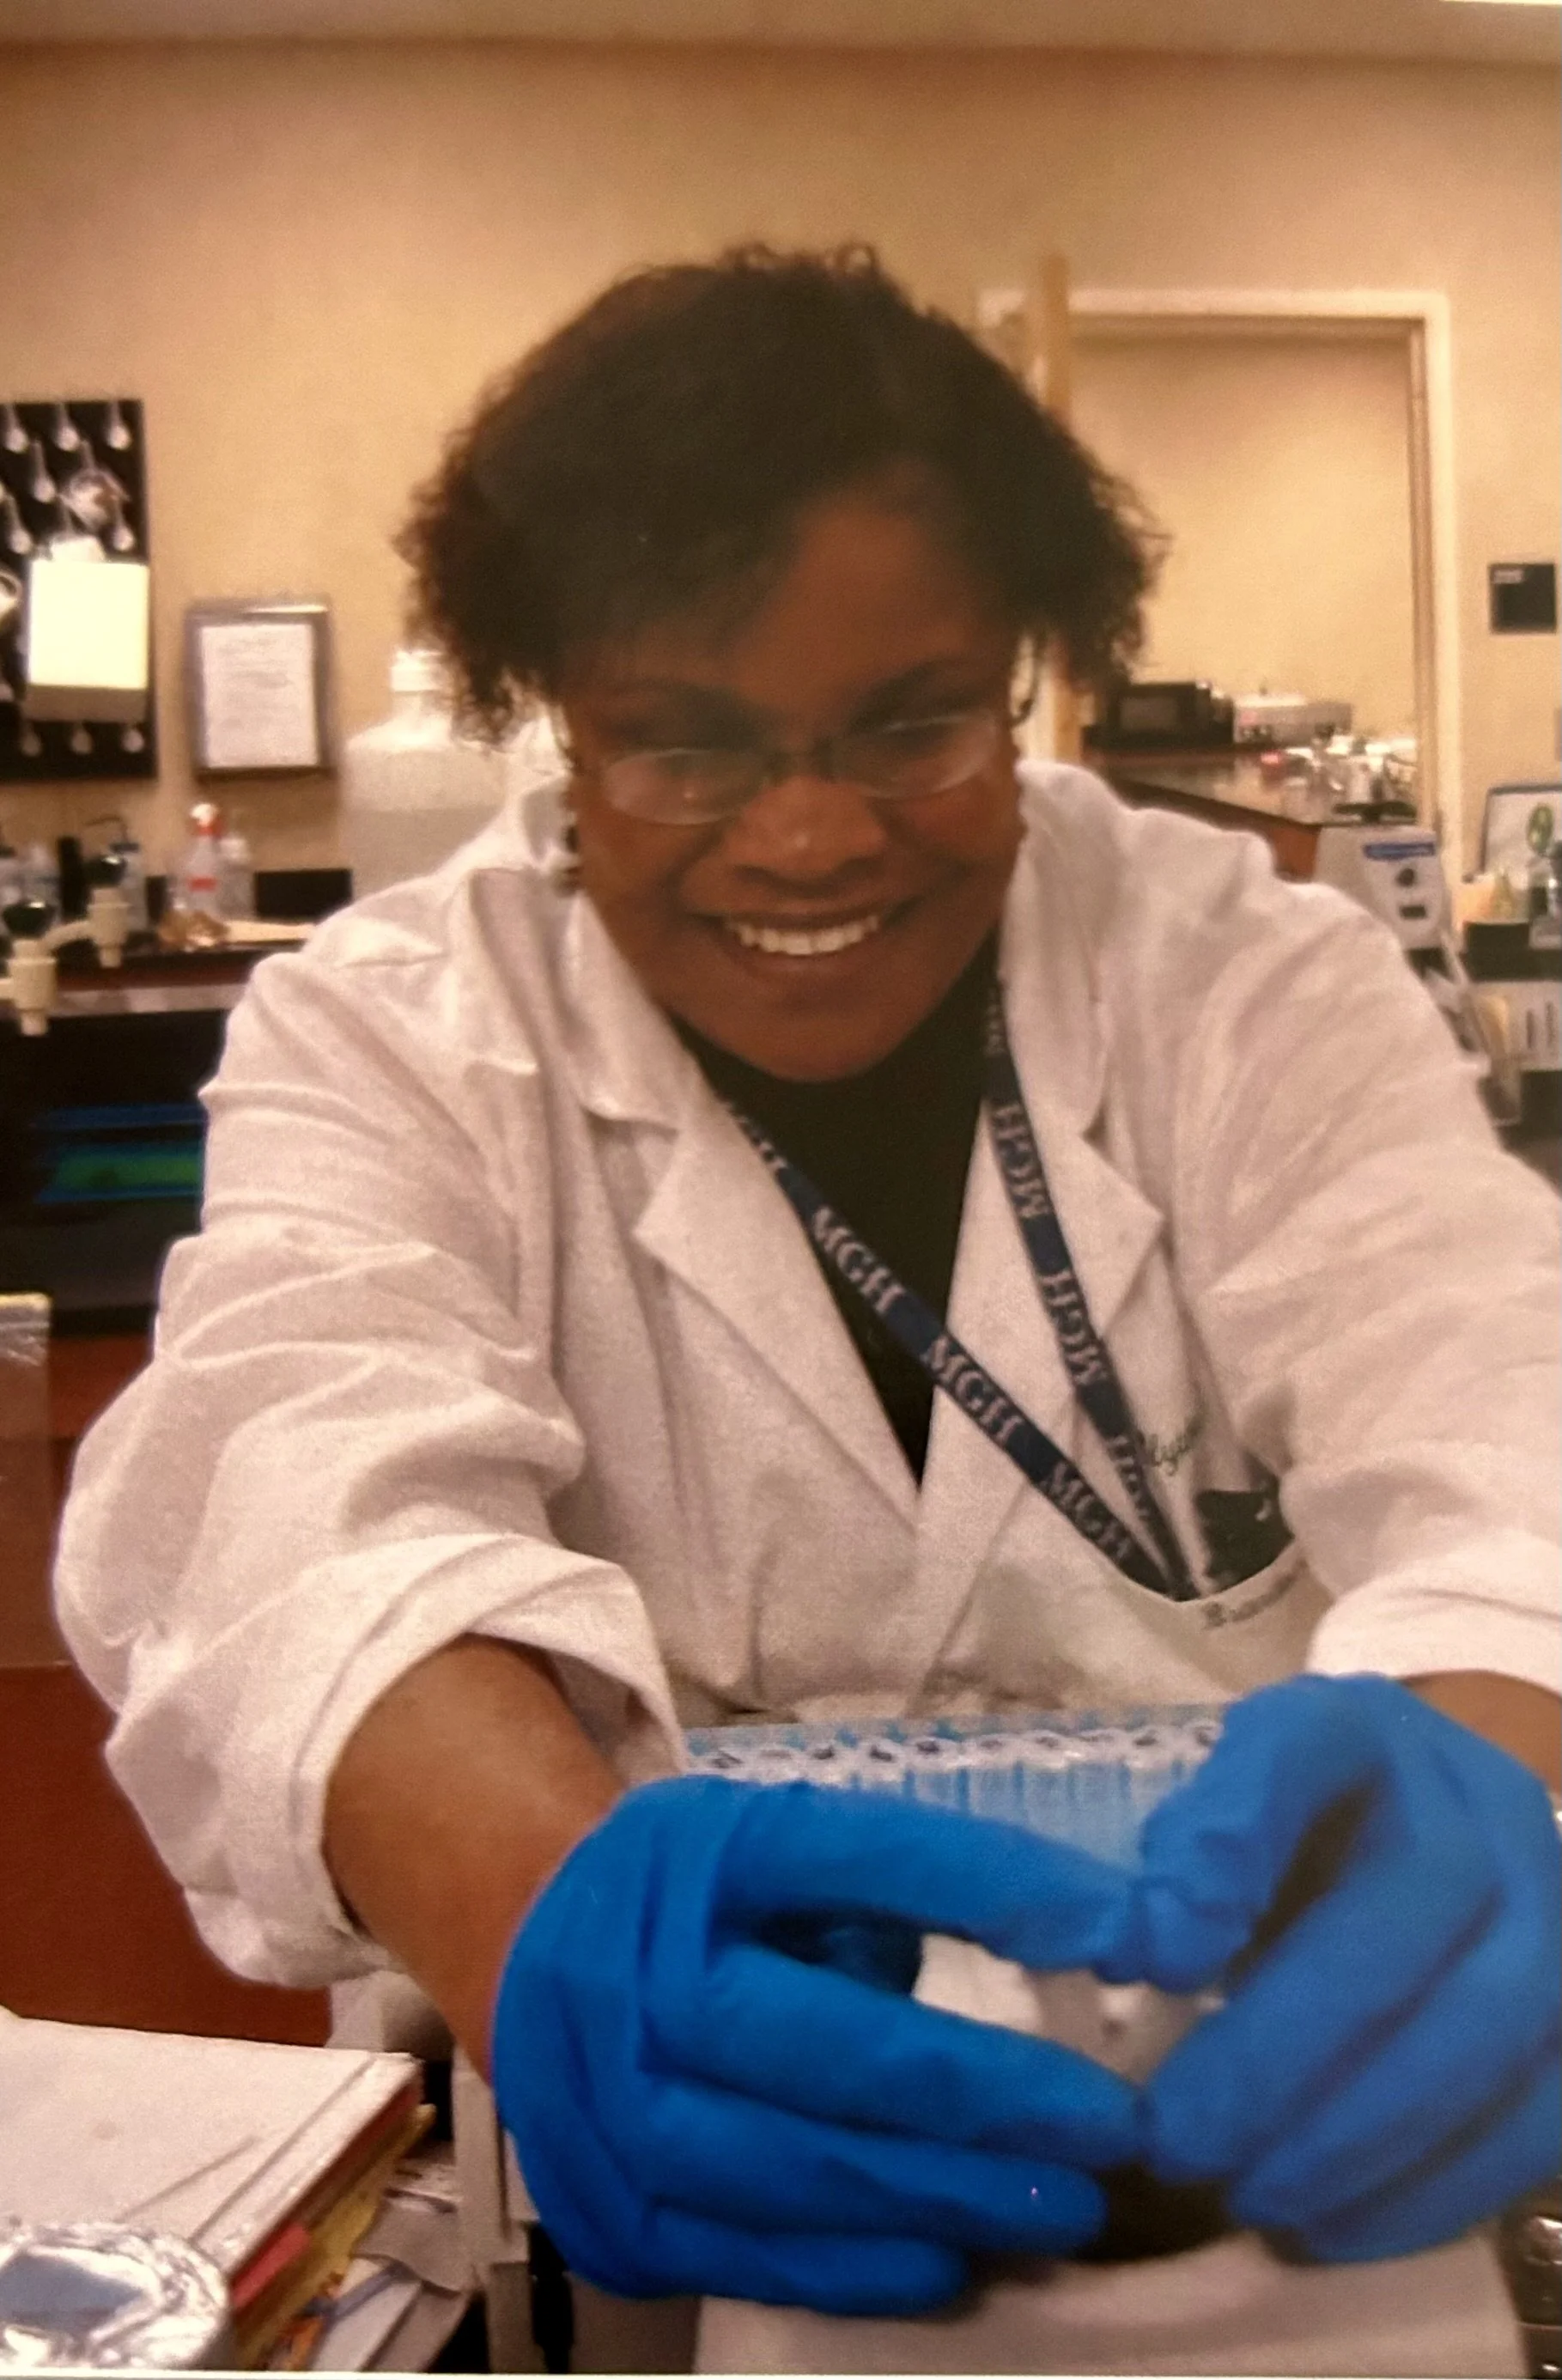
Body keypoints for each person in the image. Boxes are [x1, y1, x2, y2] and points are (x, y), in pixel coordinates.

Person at [56, 247, 1558, 2320]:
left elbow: (1505, 1411)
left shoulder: (1244, 980)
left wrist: (1503, 1772)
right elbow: (287, 1500)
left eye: (912, 725)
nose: (806, 836)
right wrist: (540, 1902)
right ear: (556, 724)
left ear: (1027, 672)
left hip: (1268, 2179)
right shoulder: (393, 1030)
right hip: (667, 2203)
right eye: (680, 746)